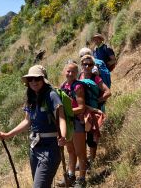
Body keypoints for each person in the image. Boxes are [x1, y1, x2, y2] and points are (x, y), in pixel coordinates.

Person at [0, 65, 67, 188]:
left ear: (43, 79)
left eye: (37, 78)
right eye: (31, 79)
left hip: (50, 149)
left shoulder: (51, 95)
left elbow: (61, 118)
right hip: (35, 148)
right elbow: (27, 121)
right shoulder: (31, 97)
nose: (34, 82)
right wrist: (7, 135)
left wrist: (63, 136)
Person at [57, 60, 87, 188]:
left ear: (77, 73)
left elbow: (81, 107)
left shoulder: (78, 87)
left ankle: (82, 179)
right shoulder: (63, 86)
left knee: (80, 152)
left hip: (76, 122)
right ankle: (70, 176)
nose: (70, 73)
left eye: (73, 71)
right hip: (67, 123)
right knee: (70, 150)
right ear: (65, 72)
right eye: (68, 71)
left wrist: (66, 112)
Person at [79, 55, 111, 165]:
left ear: (93, 66)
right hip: (80, 111)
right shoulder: (79, 76)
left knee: (91, 137)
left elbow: (108, 92)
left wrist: (97, 101)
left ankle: (92, 161)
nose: (87, 66)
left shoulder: (96, 78)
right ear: (81, 65)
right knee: (80, 136)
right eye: (84, 64)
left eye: (90, 64)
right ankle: (83, 160)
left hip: (92, 112)